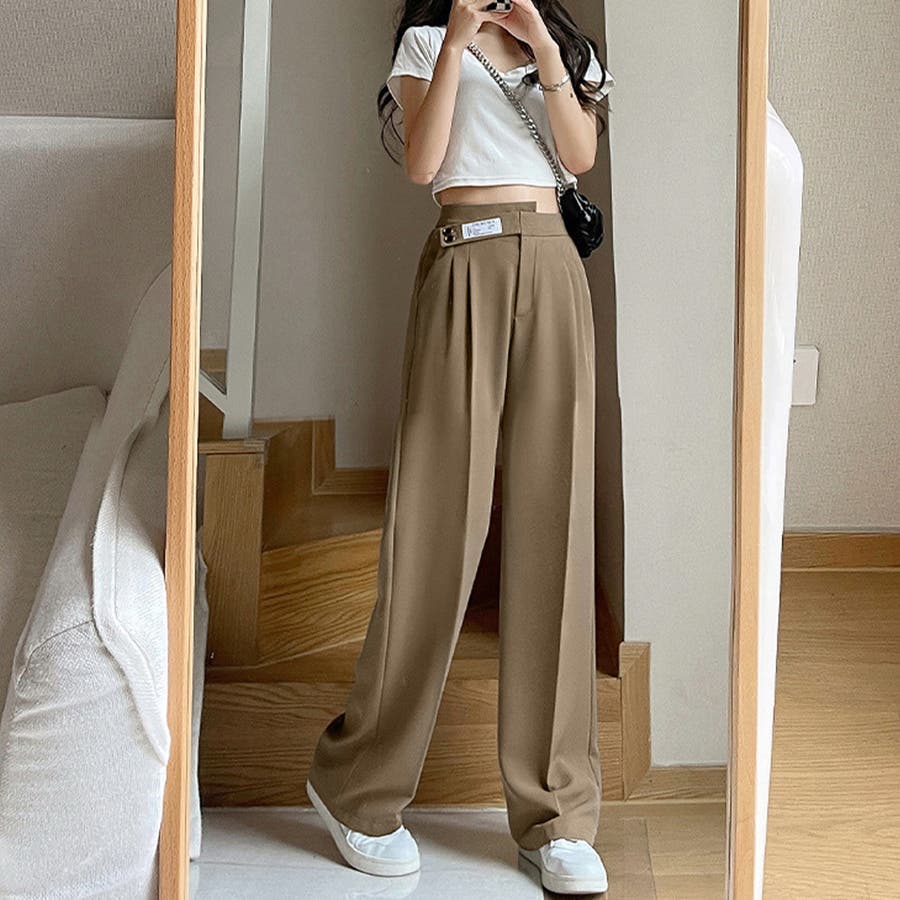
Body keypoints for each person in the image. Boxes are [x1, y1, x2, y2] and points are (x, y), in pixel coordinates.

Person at [306, 1, 614, 894]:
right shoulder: (423, 42)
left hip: (553, 266)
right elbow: (424, 163)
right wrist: (454, 42)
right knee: (435, 531)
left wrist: (544, 43)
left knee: (556, 528)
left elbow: (579, 156)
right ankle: (358, 788)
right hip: (464, 262)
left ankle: (557, 816)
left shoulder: (567, 48)